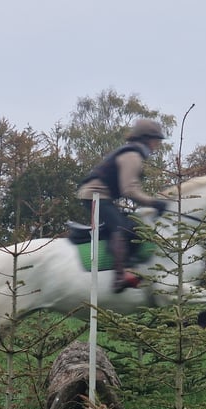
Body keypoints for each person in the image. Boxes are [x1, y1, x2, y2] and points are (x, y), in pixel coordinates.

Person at [77, 118, 168, 292]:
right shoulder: (132, 155)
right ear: (147, 138)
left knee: (133, 225)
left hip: (102, 195)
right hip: (95, 195)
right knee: (122, 228)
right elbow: (130, 190)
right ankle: (120, 275)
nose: (157, 144)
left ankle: (127, 267)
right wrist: (154, 203)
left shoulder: (133, 153)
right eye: (156, 140)